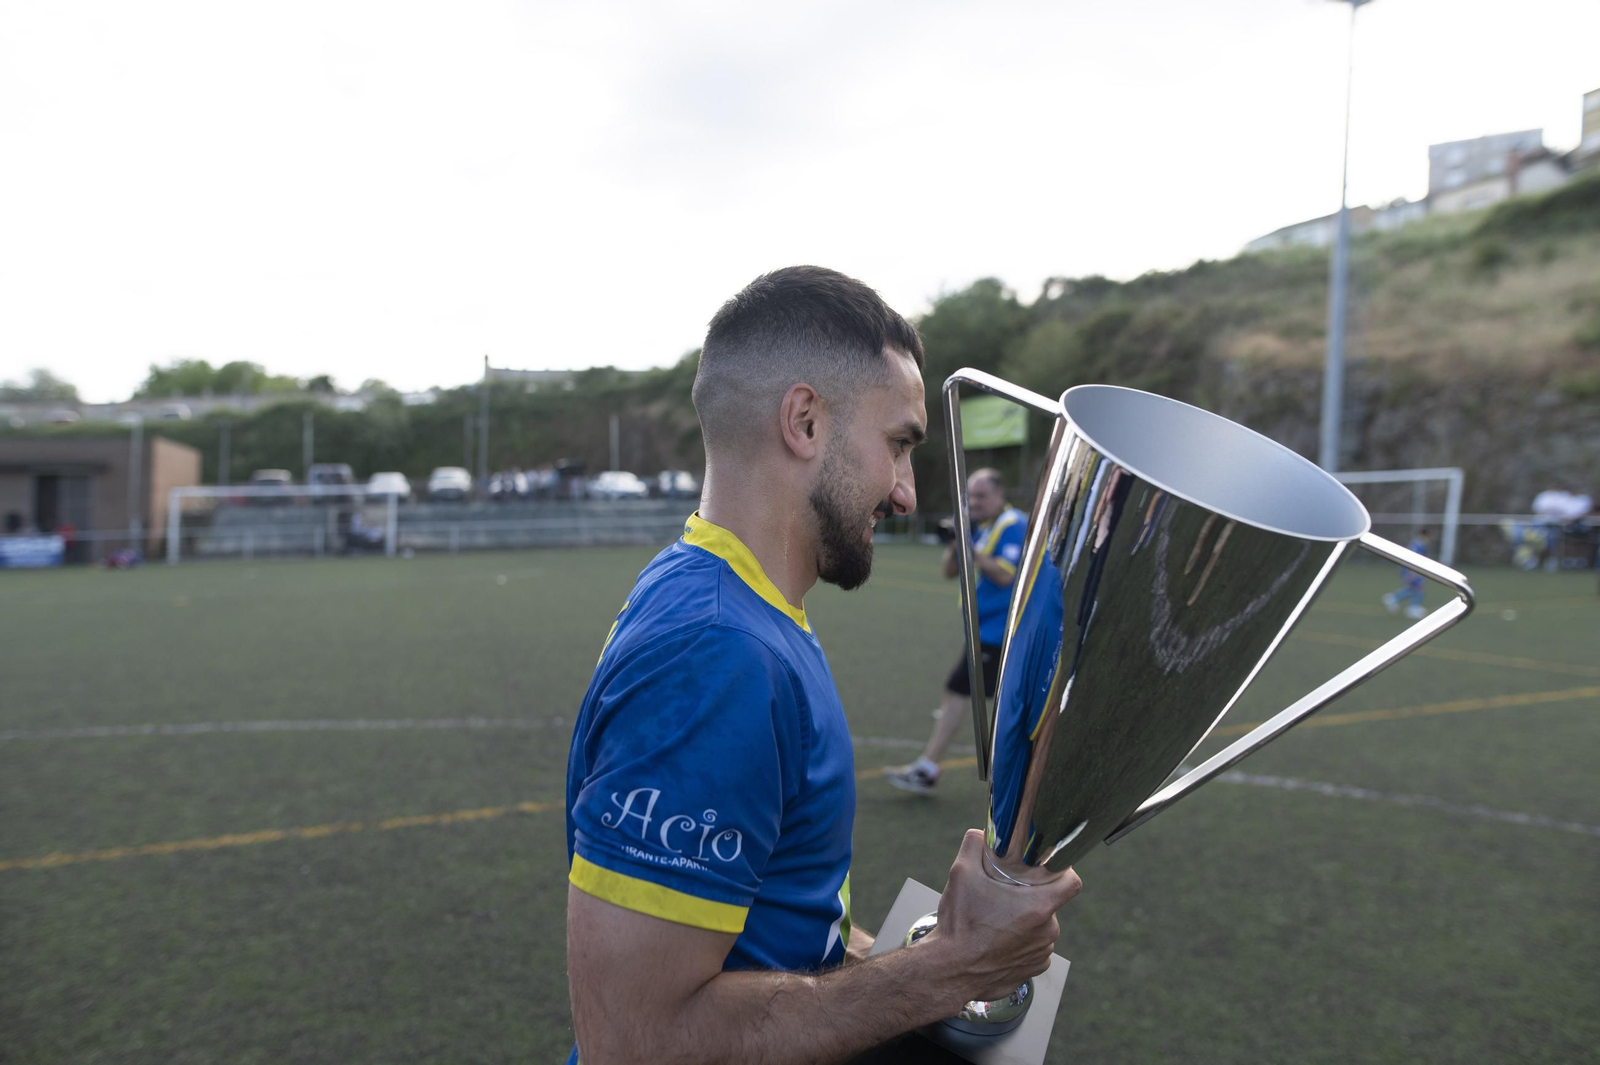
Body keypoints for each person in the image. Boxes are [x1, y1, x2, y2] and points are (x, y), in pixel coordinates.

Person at [563, 267, 1083, 1065]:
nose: (906, 493)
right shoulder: (717, 653)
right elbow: (635, 1043)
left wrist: (915, 964)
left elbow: (781, 919)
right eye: (898, 445)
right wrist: (945, 972)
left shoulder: (733, 599)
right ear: (805, 421)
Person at [883, 468, 1025, 795]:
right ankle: (933, 767)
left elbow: (1006, 575)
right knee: (989, 699)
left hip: (1001, 634)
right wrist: (956, 542)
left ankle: (928, 768)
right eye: (970, 496)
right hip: (984, 632)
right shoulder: (982, 527)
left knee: (967, 694)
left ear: (1000, 495)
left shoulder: (1013, 525)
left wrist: (969, 547)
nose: (973, 502)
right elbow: (949, 572)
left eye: (981, 496)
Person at [1382, 528, 1432, 619]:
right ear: (1425, 536)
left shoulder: (1418, 544)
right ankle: (1412, 607)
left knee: (1414, 588)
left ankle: (1394, 599)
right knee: (1418, 587)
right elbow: (1413, 559)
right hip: (1412, 569)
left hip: (1413, 569)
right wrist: (1412, 572)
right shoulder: (1418, 545)